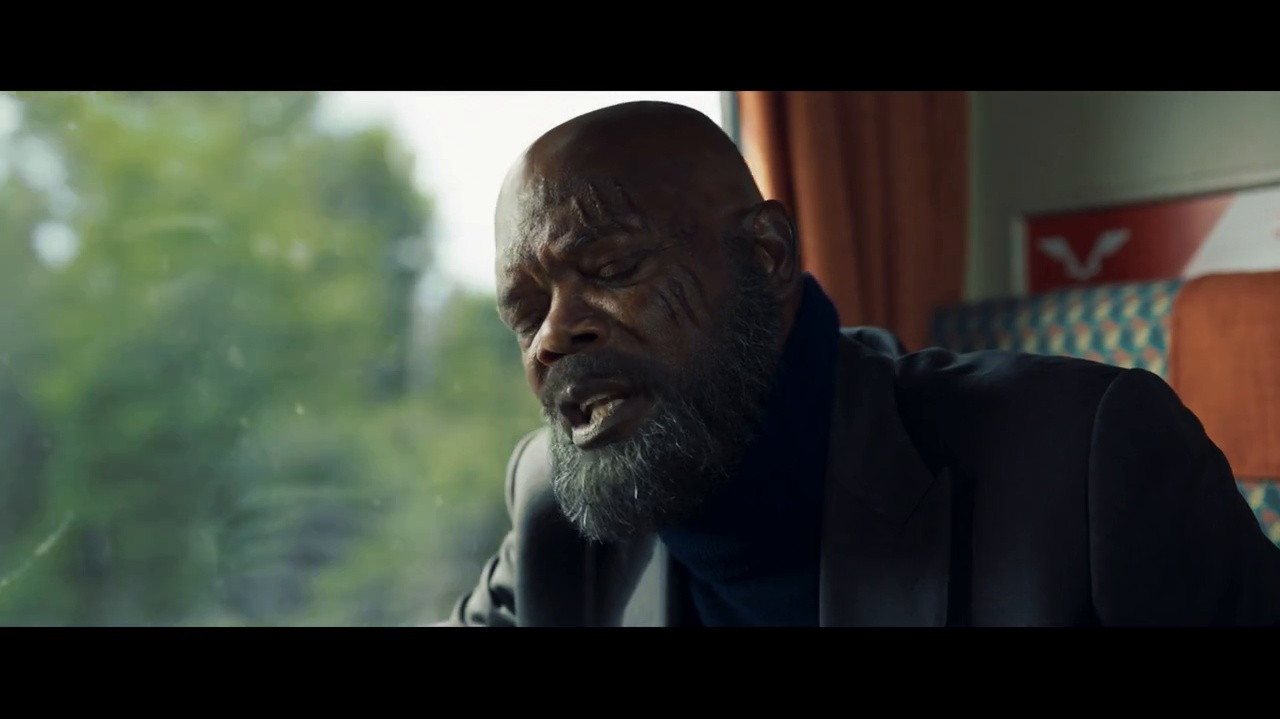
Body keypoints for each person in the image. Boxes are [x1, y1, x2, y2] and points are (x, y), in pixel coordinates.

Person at [436, 101, 1280, 627]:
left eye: (613, 269)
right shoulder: (554, 507)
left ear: (767, 256)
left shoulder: (1086, 461)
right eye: (525, 313)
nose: (552, 337)